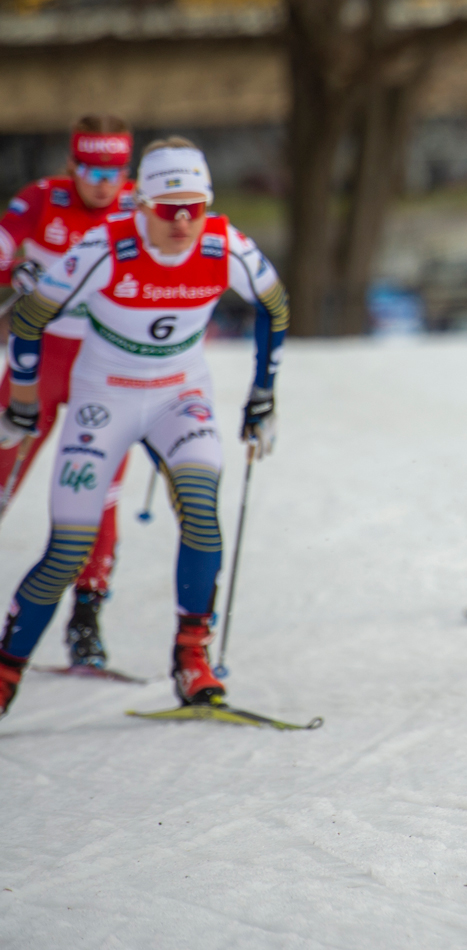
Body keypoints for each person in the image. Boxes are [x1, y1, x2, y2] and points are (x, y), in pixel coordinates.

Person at [0, 137, 289, 718]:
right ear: (142, 206)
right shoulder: (105, 246)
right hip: (104, 398)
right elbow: (30, 316)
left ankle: (192, 659)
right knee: (68, 548)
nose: (182, 222)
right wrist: (23, 398)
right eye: (168, 209)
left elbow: (274, 306)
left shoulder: (225, 244)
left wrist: (263, 392)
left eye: (194, 208)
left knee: (202, 513)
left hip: (179, 397)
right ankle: (7, 672)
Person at [0, 115, 138, 670]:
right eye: (91, 170)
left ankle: (86, 620)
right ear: (71, 165)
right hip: (41, 363)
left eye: (114, 171)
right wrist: (14, 273)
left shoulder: (140, 207)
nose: (103, 184)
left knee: (96, 492)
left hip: (106, 369)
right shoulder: (42, 197)